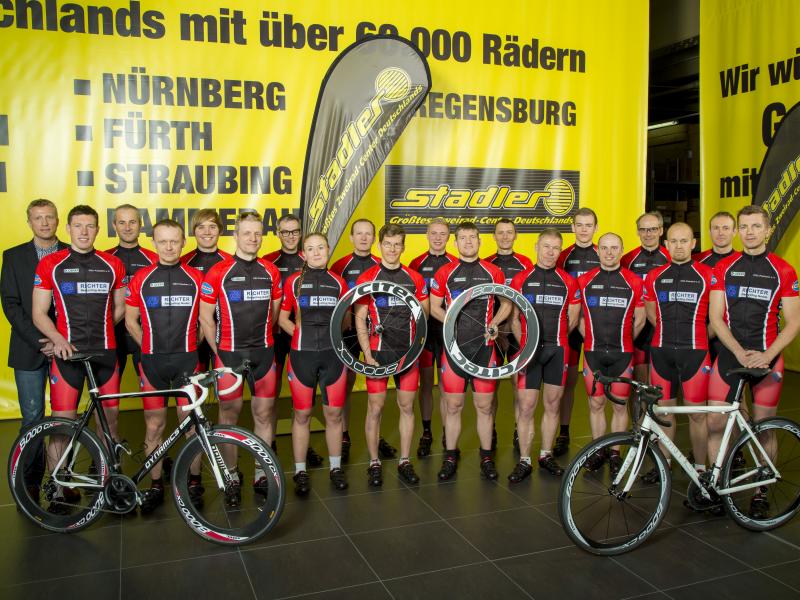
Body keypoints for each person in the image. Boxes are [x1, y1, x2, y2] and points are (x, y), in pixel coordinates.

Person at [32, 205, 126, 511]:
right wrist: (58, 339)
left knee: (109, 422)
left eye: (89, 226)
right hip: (67, 355)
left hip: (105, 353)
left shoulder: (112, 264)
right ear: (68, 229)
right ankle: (59, 489)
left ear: (98, 229)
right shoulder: (51, 264)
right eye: (78, 226)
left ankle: (107, 482)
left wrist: (102, 329)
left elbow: (120, 307)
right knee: (62, 424)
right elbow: (38, 312)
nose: (84, 231)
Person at [708, 205, 800, 517]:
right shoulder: (724, 267)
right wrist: (737, 351)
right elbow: (716, 317)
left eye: (756, 226)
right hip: (730, 354)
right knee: (716, 422)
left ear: (768, 230)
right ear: (738, 231)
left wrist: (767, 355)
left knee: (764, 428)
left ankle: (761, 490)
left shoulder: (783, 270)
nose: (749, 232)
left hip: (767, 357)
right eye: (744, 226)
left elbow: (794, 322)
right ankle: (719, 482)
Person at [199, 210, 282, 506]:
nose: (253, 238)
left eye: (257, 233)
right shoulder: (218, 272)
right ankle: (231, 475)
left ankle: (261, 473)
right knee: (228, 415)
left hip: (263, 353)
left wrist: (261, 339)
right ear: (235, 236)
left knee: (264, 414)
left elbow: (274, 313)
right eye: (247, 233)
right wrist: (220, 351)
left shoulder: (271, 271)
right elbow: (205, 317)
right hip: (229, 355)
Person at [125, 219, 204, 512]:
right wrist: (148, 345)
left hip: (187, 361)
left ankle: (195, 481)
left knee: (191, 424)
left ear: (183, 242)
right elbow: (130, 320)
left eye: (174, 241)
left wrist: (194, 344)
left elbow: (206, 319)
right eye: (163, 241)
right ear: (154, 243)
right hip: (153, 362)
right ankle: (156, 483)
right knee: (154, 425)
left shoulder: (196, 277)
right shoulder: (141, 278)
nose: (169, 247)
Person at [430, 221, 511, 481]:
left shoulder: (493, 271)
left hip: (484, 349)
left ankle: (486, 457)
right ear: (455, 243)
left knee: (484, 407)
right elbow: (433, 306)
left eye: (472, 237)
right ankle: (450, 456)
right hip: (454, 349)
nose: (468, 242)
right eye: (463, 238)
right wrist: (450, 321)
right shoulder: (445, 272)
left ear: (479, 241)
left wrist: (494, 323)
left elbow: (508, 303)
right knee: (453, 405)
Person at [1, 199, 68, 500]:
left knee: (65, 419)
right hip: (29, 348)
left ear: (57, 220)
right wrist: (43, 341)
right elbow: (11, 305)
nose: (44, 223)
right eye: (38, 218)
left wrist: (60, 340)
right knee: (32, 419)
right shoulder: (13, 256)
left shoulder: (71, 253)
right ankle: (30, 483)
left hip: (66, 348)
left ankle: (61, 481)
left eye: (49, 217)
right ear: (29, 222)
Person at [355, 224, 429, 486]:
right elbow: (360, 318)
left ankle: (404, 461)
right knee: (375, 407)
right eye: (388, 244)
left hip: (407, 353)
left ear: (403, 247)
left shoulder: (414, 278)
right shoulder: (367, 278)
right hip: (377, 353)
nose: (393, 249)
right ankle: (374, 462)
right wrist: (366, 354)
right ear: (380, 245)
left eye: (397, 244)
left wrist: (416, 347)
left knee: (407, 407)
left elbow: (424, 315)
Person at [643, 222, 714, 479]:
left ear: (693, 243)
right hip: (662, 352)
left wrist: (699, 337)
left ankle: (701, 468)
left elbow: (719, 317)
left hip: (695, 352)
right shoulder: (654, 276)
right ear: (666, 244)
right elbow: (652, 313)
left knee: (697, 415)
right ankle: (665, 465)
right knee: (664, 413)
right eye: (673, 241)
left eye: (684, 241)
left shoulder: (708, 274)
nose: (679, 246)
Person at [279, 233, 349, 494]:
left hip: (333, 357)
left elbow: (345, 321)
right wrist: (299, 334)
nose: (316, 252)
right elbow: (282, 318)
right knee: (302, 414)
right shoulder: (293, 282)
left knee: (334, 415)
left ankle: (335, 468)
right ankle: (300, 471)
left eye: (321, 247)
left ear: (328, 250)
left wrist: (332, 339)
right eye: (310, 249)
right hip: (302, 356)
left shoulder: (339, 282)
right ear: (304, 254)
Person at [508, 229, 580, 482]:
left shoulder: (568, 281)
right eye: (546, 246)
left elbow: (573, 319)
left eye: (555, 248)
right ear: (536, 247)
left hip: (558, 350)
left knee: (552, 404)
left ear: (560, 251)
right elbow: (514, 319)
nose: (550, 252)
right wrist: (527, 346)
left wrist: (556, 340)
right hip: (530, 353)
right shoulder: (521, 279)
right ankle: (524, 460)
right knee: (526, 406)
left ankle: (545, 455)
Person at [577, 232, 645, 475]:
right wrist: (592, 339)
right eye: (604, 248)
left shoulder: (633, 281)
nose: (609, 253)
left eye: (614, 248)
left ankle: (615, 453)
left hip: (622, 353)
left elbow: (640, 319)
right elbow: (579, 318)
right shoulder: (584, 281)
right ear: (597, 251)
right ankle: (598, 450)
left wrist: (623, 340)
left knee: (619, 405)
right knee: (596, 403)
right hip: (593, 352)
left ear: (621, 250)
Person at [330, 219, 396, 461]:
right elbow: (335, 298)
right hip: (348, 331)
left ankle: (376, 437)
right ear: (351, 237)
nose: (364, 238)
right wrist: (346, 316)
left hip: (377, 333)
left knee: (377, 390)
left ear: (375, 239)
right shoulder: (340, 265)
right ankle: (344, 435)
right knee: (345, 383)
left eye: (368, 234)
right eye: (359, 234)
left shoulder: (382, 263)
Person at [263, 214, 323, 466]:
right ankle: (270, 445)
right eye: (285, 232)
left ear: (301, 233)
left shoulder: (310, 256)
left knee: (305, 395)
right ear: (278, 233)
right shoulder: (268, 261)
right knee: (272, 394)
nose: (290, 236)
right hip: (277, 335)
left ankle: (304, 446)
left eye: (295, 231)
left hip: (305, 338)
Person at [408, 218, 456, 458]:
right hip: (424, 334)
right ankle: (426, 433)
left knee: (447, 386)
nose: (438, 238)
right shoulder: (416, 264)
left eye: (442, 234)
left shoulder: (455, 264)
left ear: (448, 237)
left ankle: (448, 433)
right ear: (426, 235)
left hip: (448, 332)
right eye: (434, 233)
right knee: (426, 384)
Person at [555, 207, 600, 457]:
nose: (583, 229)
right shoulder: (562, 256)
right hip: (571, 325)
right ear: (572, 227)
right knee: (568, 382)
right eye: (579, 225)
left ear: (595, 228)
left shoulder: (603, 252)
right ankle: (563, 432)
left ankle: (600, 441)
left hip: (597, 326)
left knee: (598, 386)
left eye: (588, 225)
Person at [485, 218, 534, 451]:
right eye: (500, 232)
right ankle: (491, 430)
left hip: (516, 331)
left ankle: (518, 429)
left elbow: (527, 299)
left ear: (515, 236)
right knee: (491, 386)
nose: (505, 236)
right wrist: (497, 326)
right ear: (494, 236)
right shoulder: (486, 264)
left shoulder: (525, 263)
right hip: (491, 332)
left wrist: (513, 327)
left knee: (518, 385)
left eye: (509, 232)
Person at [105, 204, 158, 379]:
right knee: (107, 393)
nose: (127, 227)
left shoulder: (154, 259)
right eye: (122, 222)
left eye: (132, 222)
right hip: (112, 333)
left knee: (152, 390)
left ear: (140, 224)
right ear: (114, 225)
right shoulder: (104, 259)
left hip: (144, 333)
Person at [621, 211, 670, 383]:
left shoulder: (671, 257)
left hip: (662, 322)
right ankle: (639, 403)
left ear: (661, 230)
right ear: (638, 232)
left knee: (662, 381)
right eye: (643, 230)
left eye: (653, 229)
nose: (648, 234)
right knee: (639, 383)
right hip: (638, 323)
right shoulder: (627, 259)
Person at [181, 209, 231, 372]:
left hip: (224, 335)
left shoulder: (231, 262)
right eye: (201, 227)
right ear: (194, 231)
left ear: (220, 230)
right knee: (195, 385)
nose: (207, 232)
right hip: (193, 335)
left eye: (212, 227)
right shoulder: (183, 262)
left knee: (226, 384)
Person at [696, 211, 737, 364]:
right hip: (701, 333)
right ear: (709, 231)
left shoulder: (743, 262)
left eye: (726, 228)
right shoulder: (697, 261)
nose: (720, 233)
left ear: (734, 232)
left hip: (732, 335)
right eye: (716, 228)